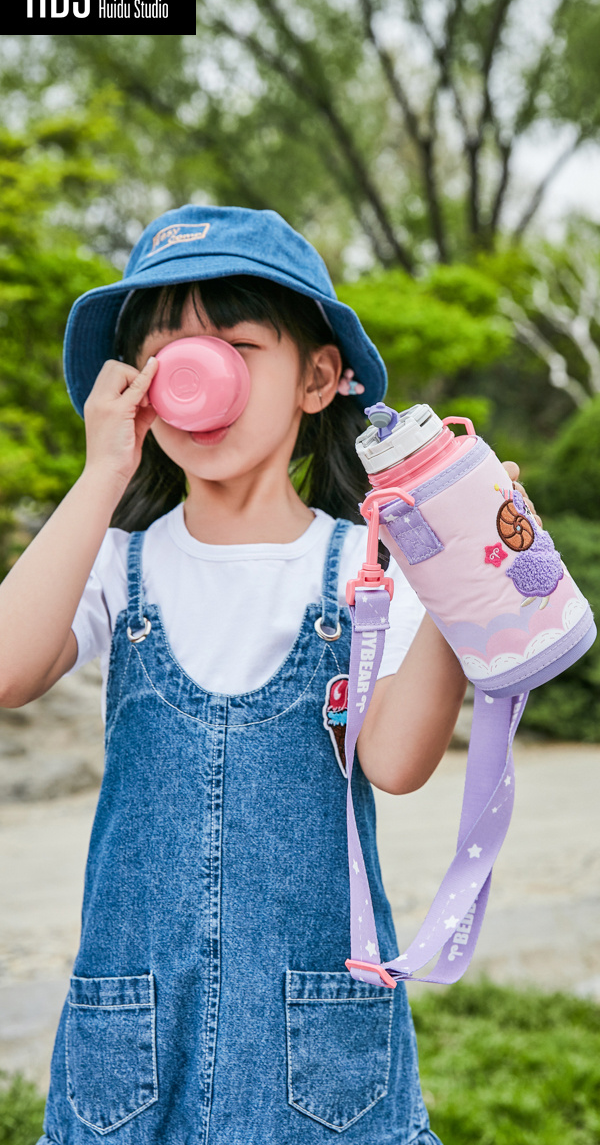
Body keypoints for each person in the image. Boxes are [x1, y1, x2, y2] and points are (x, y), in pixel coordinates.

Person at [0, 205, 528, 1145]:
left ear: (318, 378)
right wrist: (99, 473)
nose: (202, 381)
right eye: (169, 357)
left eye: (237, 346)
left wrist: (465, 575)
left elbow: (397, 764)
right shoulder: (119, 565)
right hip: (136, 1045)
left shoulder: (367, 570)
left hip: (317, 1045)